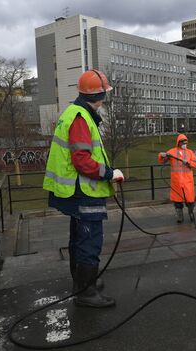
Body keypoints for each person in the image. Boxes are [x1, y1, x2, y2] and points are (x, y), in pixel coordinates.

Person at [43, 69, 123, 308]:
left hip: (75, 191)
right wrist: (110, 173)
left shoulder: (75, 112)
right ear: (100, 95)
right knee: (89, 240)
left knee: (79, 238)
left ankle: (84, 284)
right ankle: (86, 293)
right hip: (84, 192)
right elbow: (82, 160)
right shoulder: (81, 117)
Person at [158, 134, 196, 223]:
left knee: (190, 199)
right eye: (183, 142)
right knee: (177, 200)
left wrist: (188, 162)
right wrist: (162, 155)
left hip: (188, 181)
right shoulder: (172, 152)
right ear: (178, 143)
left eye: (186, 143)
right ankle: (180, 216)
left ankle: (191, 213)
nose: (185, 144)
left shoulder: (190, 152)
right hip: (176, 181)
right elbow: (162, 161)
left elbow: (194, 164)